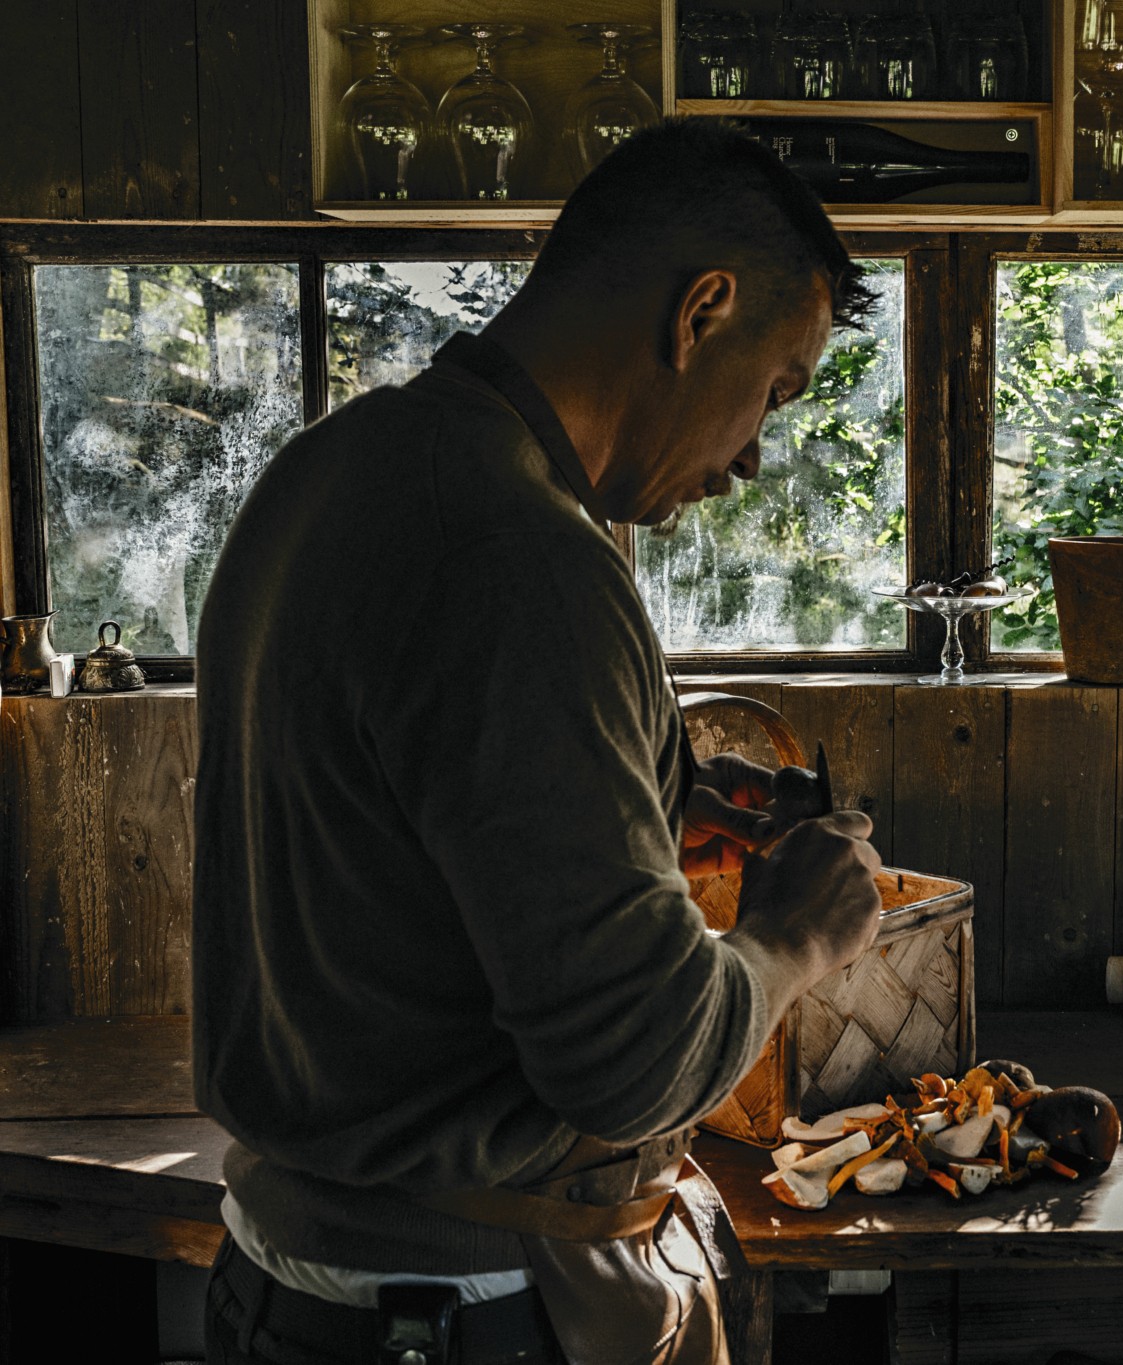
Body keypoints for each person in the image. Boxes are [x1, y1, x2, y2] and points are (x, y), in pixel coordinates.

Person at [192, 120, 885, 1365]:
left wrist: (648, 792)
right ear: (702, 311)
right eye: (776, 391)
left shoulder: (333, 467)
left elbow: (402, 819)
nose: (752, 457)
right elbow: (636, 1065)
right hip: (459, 1316)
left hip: (300, 1283)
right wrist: (798, 935)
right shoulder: (522, 559)